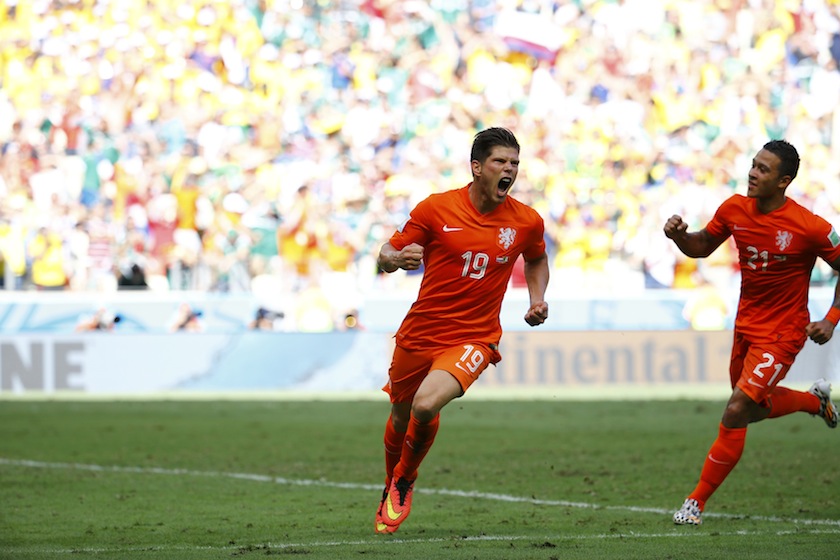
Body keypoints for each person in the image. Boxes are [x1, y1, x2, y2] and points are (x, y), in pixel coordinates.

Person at [373, 127, 550, 534]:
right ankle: (390, 482)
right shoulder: (436, 209)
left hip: (475, 336)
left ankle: (404, 479)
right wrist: (396, 260)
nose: (510, 169)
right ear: (476, 167)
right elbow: (386, 252)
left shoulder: (525, 221)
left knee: (424, 404)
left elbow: (537, 258)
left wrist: (536, 298)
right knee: (400, 417)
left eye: (515, 163)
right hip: (420, 333)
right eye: (500, 161)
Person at [663, 139, 839, 526]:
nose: (753, 173)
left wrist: (832, 317)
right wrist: (679, 236)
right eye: (754, 165)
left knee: (737, 408)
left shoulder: (809, 226)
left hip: (784, 331)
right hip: (745, 327)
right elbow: (703, 247)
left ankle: (695, 503)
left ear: (784, 181)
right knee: (751, 408)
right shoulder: (734, 209)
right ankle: (815, 402)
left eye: (763, 169)